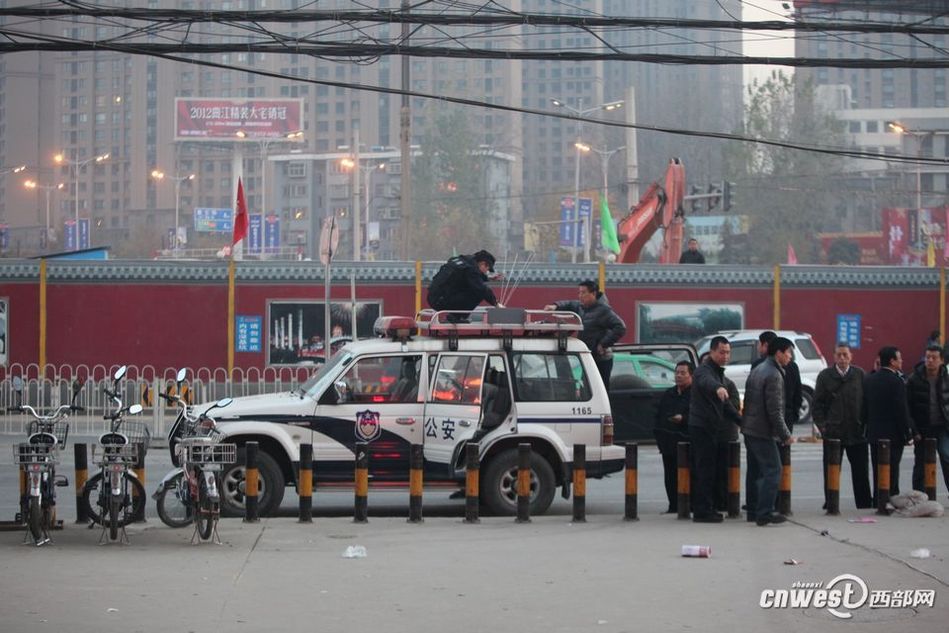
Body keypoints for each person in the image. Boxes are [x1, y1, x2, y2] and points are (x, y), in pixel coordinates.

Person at [742, 336, 795, 526]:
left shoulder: (759, 368)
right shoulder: (773, 374)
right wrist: (786, 435)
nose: (790, 357)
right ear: (779, 353)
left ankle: (755, 510)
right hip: (761, 431)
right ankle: (764, 513)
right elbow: (775, 411)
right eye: (788, 352)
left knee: (759, 472)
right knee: (774, 470)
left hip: (750, 428)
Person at [813, 342, 872, 509]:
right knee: (831, 470)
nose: (842, 358)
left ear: (851, 356)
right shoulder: (825, 376)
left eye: (845, 354)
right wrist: (823, 427)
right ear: (834, 356)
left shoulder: (859, 374)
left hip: (857, 432)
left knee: (861, 472)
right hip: (833, 432)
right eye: (839, 355)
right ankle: (831, 502)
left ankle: (864, 503)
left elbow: (867, 402)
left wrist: (865, 425)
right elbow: (817, 405)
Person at [544, 280, 626, 387]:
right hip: (588, 355)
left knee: (598, 388)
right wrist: (555, 306)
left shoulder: (603, 310)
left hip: (601, 359)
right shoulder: (582, 307)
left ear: (593, 293)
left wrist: (603, 344)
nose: (580, 296)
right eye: (579, 292)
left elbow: (620, 327)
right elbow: (570, 304)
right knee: (587, 387)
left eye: (583, 293)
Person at [687, 335, 731, 523]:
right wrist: (718, 388)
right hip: (702, 427)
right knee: (704, 470)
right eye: (721, 352)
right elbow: (707, 382)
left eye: (728, 352)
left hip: (712, 427)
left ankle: (709, 507)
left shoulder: (717, 371)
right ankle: (702, 511)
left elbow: (726, 405)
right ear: (712, 351)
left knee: (711, 470)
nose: (725, 356)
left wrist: (741, 420)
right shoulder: (704, 371)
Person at [863, 346, 915, 500]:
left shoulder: (869, 380)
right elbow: (901, 411)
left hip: (874, 434)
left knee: (877, 469)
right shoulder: (897, 382)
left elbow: (864, 408)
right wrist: (907, 433)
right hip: (894, 435)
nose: (902, 361)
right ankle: (890, 499)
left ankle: (878, 500)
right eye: (899, 358)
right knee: (892, 470)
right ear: (892, 361)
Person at [907, 345, 949, 495]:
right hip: (923, 428)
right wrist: (914, 430)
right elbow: (908, 407)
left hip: (943, 427)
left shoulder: (946, 378)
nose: (930, 360)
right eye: (928, 357)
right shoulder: (914, 379)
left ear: (941, 360)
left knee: (946, 455)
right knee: (921, 464)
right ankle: (919, 496)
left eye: (934, 358)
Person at [654, 361, 693, 513]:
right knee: (670, 476)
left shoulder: (695, 395)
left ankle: (689, 505)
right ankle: (673, 506)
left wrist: (683, 419)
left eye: (683, 373)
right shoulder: (669, 394)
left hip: (687, 442)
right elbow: (659, 416)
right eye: (677, 373)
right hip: (668, 443)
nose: (679, 376)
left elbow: (699, 417)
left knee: (688, 475)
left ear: (691, 376)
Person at [751, 330, 801, 432]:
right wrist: (793, 415)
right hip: (787, 417)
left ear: (765, 345)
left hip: (764, 420)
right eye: (788, 352)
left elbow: (754, 395)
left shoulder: (758, 366)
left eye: (759, 345)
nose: (758, 348)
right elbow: (798, 394)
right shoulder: (793, 366)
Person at [427, 250, 501, 314]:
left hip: (433, 297)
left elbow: (469, 277)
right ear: (483, 263)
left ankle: (455, 317)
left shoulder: (463, 261)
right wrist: (496, 304)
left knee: (472, 286)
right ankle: (457, 317)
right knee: (479, 293)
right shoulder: (471, 269)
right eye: (487, 269)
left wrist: (487, 278)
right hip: (440, 301)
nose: (486, 272)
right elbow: (482, 289)